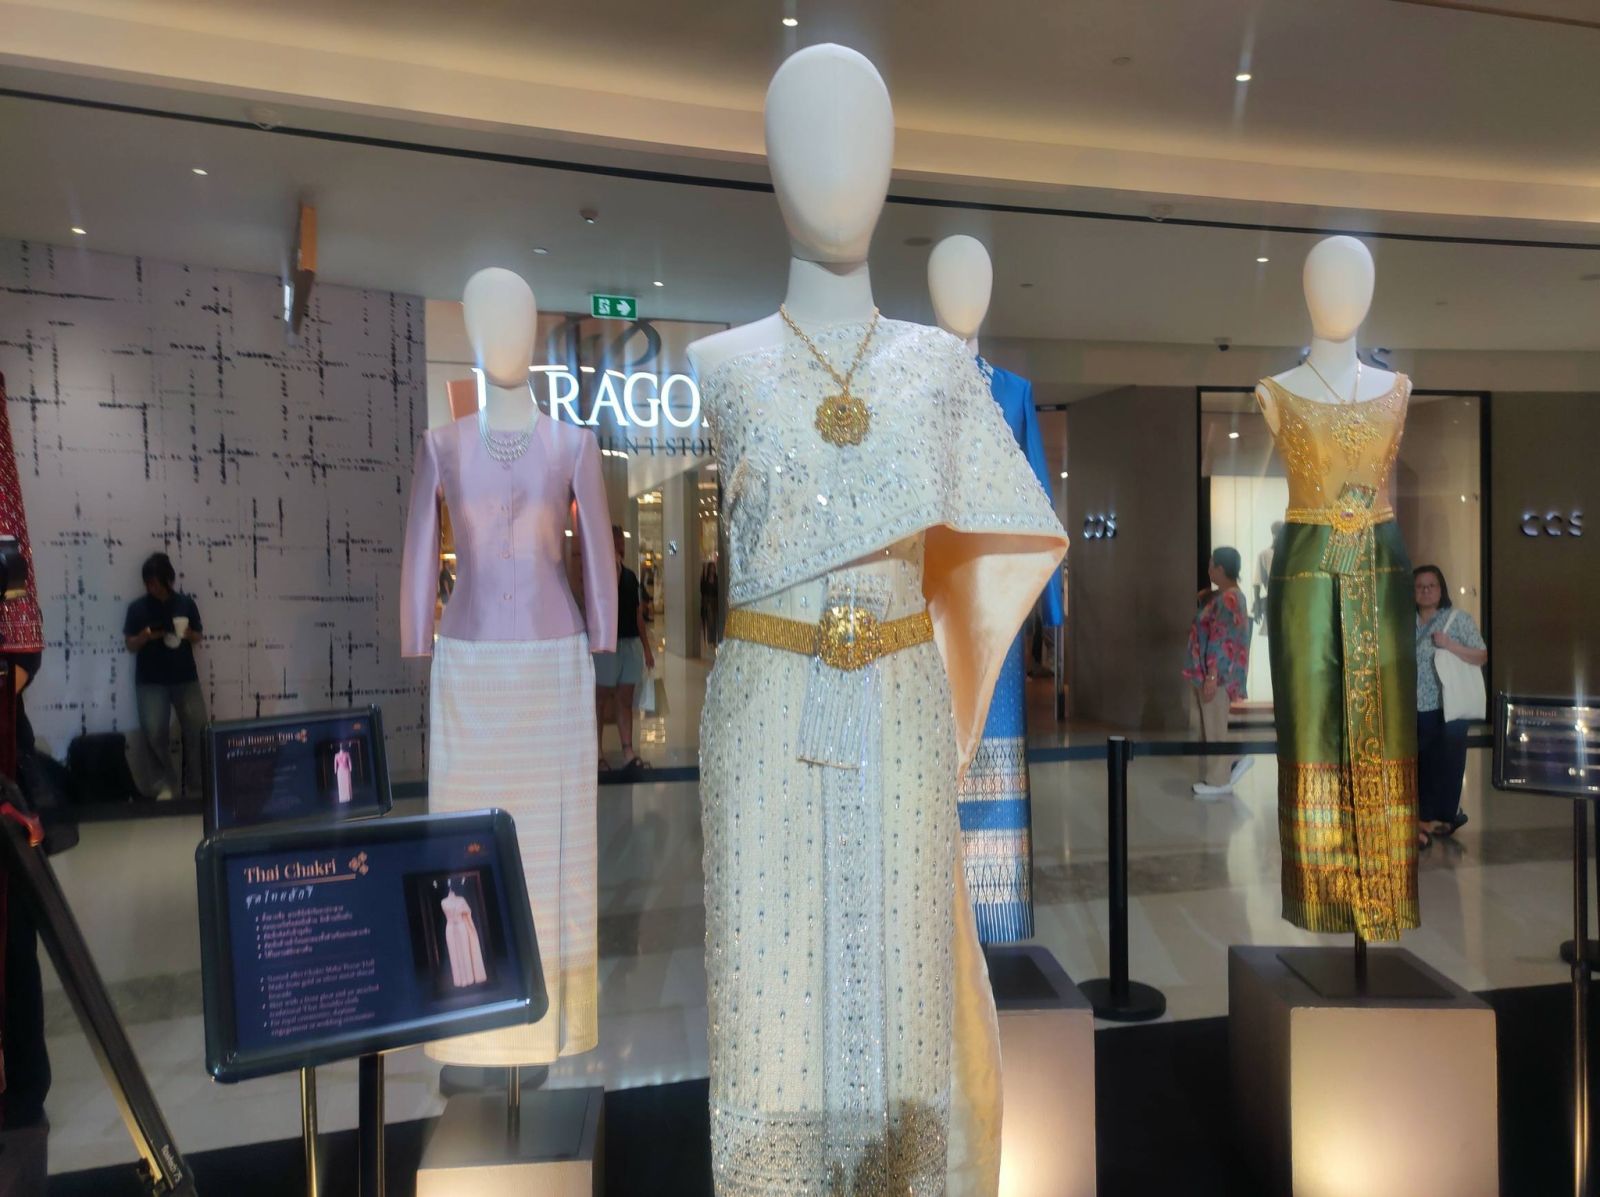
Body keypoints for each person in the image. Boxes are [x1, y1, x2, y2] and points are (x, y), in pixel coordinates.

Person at [122, 552, 206, 800]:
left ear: (168, 580)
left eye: (156, 583)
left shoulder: (185, 604)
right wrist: (145, 636)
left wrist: (187, 633)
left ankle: (198, 785)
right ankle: (164, 785)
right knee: (154, 731)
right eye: (148, 583)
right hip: (150, 680)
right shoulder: (137, 608)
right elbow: (130, 644)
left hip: (185, 676)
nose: (151, 587)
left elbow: (198, 636)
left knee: (198, 728)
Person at [1414, 564, 1486, 846]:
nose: (1425, 591)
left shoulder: (1457, 619)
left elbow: (1481, 655)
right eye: (1419, 586)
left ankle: (1444, 815)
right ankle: (1423, 818)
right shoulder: (1404, 621)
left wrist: (1449, 645)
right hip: (1415, 705)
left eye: (1431, 585)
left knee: (1448, 761)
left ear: (1441, 589)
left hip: (1450, 703)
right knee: (1421, 762)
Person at [1184, 546, 1253, 797]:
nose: (1209, 570)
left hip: (1216, 674)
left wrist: (1212, 676)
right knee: (1205, 724)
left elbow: (1221, 639)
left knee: (1213, 725)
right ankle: (1227, 765)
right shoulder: (1224, 597)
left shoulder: (1229, 599)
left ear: (1221, 569)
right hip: (1208, 672)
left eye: (1212, 565)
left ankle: (1219, 780)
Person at [594, 526, 654, 771]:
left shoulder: (630, 577)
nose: (619, 546)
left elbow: (638, 615)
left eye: (620, 542)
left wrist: (646, 649)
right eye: (615, 541)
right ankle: (597, 752)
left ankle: (627, 749)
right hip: (607, 644)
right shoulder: (598, 575)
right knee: (600, 699)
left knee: (625, 698)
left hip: (630, 642)